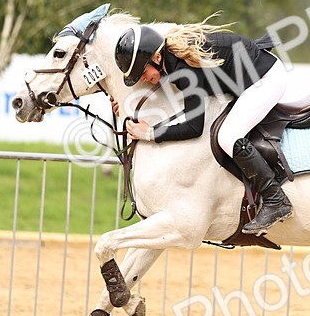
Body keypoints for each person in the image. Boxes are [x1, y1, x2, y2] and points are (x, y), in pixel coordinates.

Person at [113, 18, 293, 234]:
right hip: (249, 75)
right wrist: (126, 107)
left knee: (228, 136)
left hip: (266, 79)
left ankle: (276, 200)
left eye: (143, 73)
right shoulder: (170, 59)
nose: (143, 80)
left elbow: (193, 127)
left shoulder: (184, 70)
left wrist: (150, 133)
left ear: (157, 57)